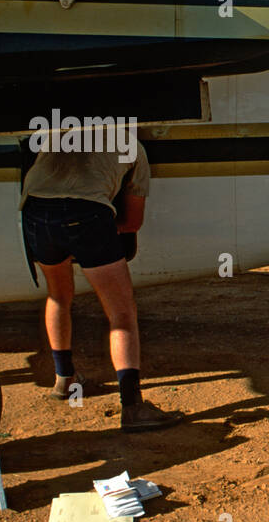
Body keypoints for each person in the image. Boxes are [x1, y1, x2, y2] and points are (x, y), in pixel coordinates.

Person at [21, 133, 181, 431]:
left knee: (58, 295)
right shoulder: (133, 147)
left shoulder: (59, 133)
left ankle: (64, 380)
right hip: (86, 214)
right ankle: (132, 408)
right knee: (121, 313)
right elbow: (132, 223)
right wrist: (98, 234)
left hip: (35, 210)